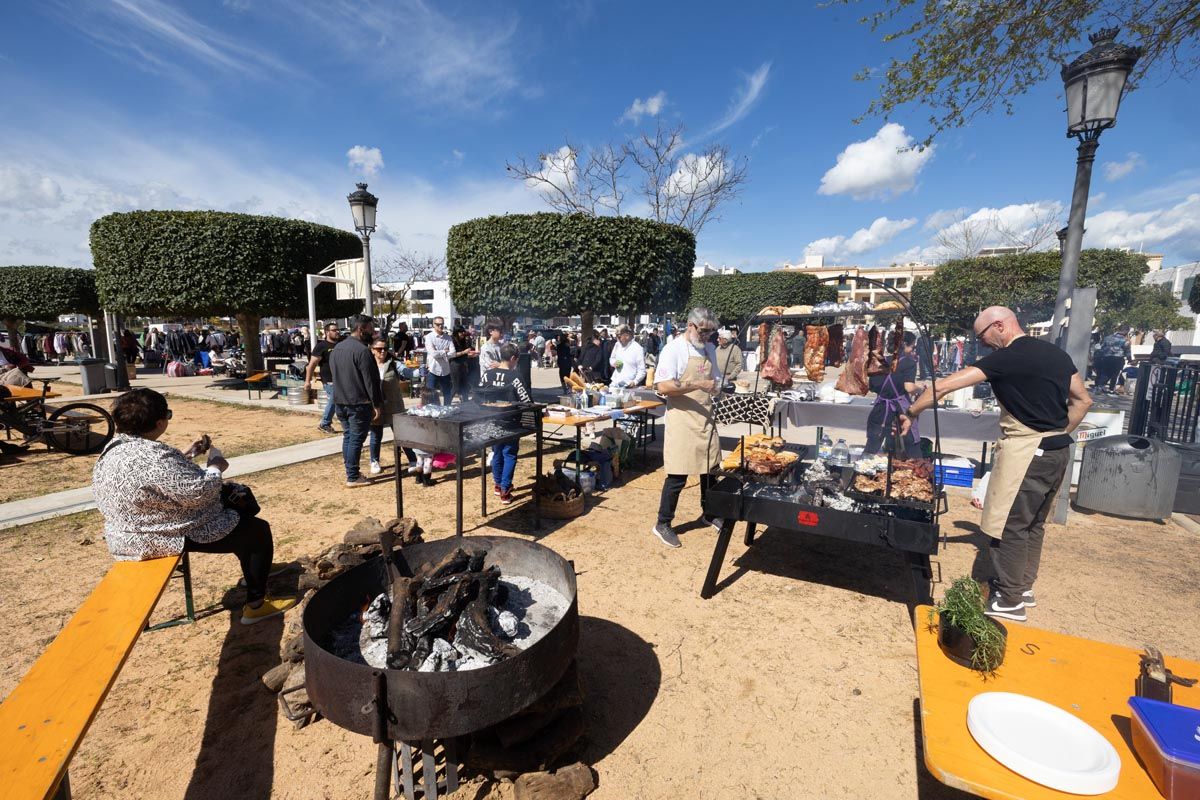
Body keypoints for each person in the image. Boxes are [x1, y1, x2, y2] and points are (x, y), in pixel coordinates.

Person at [900, 306, 1092, 621]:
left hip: (1027, 454)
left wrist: (911, 413)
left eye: (983, 336)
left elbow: (944, 386)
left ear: (1000, 325)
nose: (982, 343)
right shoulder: (1055, 355)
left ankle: (1010, 600)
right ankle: (1022, 586)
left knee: (1010, 526)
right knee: (1033, 524)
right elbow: (1084, 400)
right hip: (1057, 452)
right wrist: (1055, 433)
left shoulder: (1007, 357)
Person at [91, 388, 297, 624]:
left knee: (241, 517)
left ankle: (256, 566)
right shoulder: (156, 457)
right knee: (256, 529)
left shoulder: (114, 447)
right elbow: (199, 493)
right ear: (160, 422)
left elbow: (154, 477)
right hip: (156, 536)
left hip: (130, 530)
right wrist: (216, 467)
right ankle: (256, 604)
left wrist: (187, 454)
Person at [650, 307, 724, 548]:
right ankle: (663, 523)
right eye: (703, 331)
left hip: (705, 417)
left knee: (710, 470)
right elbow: (663, 386)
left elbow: (716, 379)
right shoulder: (673, 349)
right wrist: (697, 383)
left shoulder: (710, 349)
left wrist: (718, 386)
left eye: (711, 332)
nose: (707, 337)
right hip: (682, 419)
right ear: (690, 326)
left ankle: (709, 513)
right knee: (677, 475)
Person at [329, 314, 384, 487]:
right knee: (355, 439)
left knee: (348, 436)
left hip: (340, 401)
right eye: (370, 329)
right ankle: (352, 476)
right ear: (361, 329)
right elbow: (371, 381)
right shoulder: (362, 351)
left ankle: (351, 471)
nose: (373, 332)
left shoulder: (337, 349)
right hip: (358, 403)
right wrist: (377, 404)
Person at [477, 343, 534, 504]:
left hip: (491, 420)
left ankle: (497, 485)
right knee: (509, 454)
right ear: (513, 358)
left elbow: (480, 395)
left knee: (496, 451)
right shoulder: (515, 376)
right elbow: (526, 399)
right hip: (510, 421)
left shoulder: (488, 374)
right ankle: (505, 489)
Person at [864, 331, 925, 458]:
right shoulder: (909, 362)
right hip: (900, 410)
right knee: (911, 446)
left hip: (880, 409)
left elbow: (873, 386)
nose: (913, 350)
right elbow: (908, 388)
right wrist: (919, 388)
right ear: (904, 344)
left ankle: (862, 472)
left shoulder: (880, 362)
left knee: (872, 447)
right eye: (912, 346)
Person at [367, 337, 407, 476]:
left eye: (385, 348)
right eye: (379, 349)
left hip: (394, 405)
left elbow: (406, 372)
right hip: (376, 406)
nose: (382, 351)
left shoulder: (394, 364)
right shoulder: (367, 365)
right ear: (372, 350)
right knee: (376, 435)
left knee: (402, 434)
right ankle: (374, 461)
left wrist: (418, 372)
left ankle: (413, 460)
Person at [304, 322, 341, 434]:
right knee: (334, 399)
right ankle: (324, 423)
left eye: (337, 330)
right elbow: (311, 365)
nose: (337, 332)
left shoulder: (341, 344)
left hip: (342, 379)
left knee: (339, 401)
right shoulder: (321, 346)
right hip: (329, 380)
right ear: (326, 332)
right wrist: (307, 381)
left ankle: (347, 423)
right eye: (334, 330)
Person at [424, 316, 455, 405]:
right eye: (438, 324)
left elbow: (453, 353)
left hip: (445, 370)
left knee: (447, 394)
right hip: (433, 370)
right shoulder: (429, 337)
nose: (440, 326)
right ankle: (431, 411)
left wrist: (439, 353)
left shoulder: (448, 338)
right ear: (434, 325)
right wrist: (444, 351)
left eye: (442, 324)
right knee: (430, 394)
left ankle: (447, 410)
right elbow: (433, 353)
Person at [609, 325, 647, 389]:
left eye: (619, 337)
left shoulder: (637, 348)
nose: (617, 339)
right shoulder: (617, 345)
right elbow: (612, 358)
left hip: (628, 385)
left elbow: (642, 370)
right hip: (615, 382)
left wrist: (635, 381)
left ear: (627, 336)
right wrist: (613, 363)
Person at [1094, 329, 1130, 394]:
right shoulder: (1125, 340)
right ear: (1126, 332)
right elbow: (1127, 351)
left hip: (1106, 358)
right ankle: (1111, 389)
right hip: (1118, 359)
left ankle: (1099, 387)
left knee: (1105, 373)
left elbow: (1101, 347)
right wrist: (1130, 359)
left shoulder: (1107, 338)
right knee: (1115, 375)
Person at [449, 326, 474, 402]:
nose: (463, 333)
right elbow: (452, 354)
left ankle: (465, 402)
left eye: (463, 332)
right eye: (461, 332)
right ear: (456, 333)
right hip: (455, 365)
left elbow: (466, 352)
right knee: (455, 386)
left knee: (465, 385)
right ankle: (447, 402)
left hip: (463, 364)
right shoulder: (452, 341)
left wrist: (470, 354)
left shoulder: (463, 340)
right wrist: (464, 352)